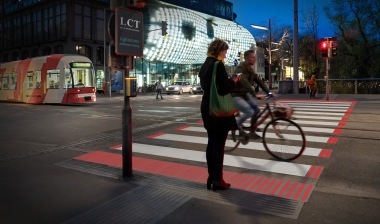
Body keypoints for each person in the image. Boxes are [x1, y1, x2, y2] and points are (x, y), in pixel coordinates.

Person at [199, 38, 238, 191]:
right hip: (218, 110)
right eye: (225, 51)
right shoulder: (217, 65)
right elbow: (223, 89)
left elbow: (205, 86)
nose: (226, 55)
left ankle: (211, 176)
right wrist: (233, 81)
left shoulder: (205, 65)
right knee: (219, 145)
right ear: (219, 51)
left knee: (211, 142)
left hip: (207, 107)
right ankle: (218, 179)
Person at [232, 50, 271, 139]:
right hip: (234, 95)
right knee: (249, 111)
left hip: (243, 95)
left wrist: (268, 92)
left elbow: (259, 81)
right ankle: (235, 126)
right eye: (252, 57)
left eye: (255, 57)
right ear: (247, 58)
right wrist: (255, 94)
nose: (255, 59)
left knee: (256, 110)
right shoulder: (239, 69)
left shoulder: (250, 69)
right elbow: (244, 82)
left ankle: (252, 131)